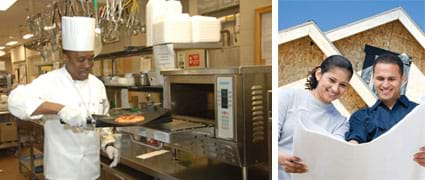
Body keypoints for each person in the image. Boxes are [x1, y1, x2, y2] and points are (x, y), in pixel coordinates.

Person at [8, 16, 120, 179]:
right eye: (80, 60)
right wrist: (60, 109)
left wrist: (108, 143)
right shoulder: (50, 81)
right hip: (62, 172)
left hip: (91, 171)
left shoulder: (97, 85)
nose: (87, 65)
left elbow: (102, 122)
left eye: (90, 58)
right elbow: (15, 101)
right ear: (66, 58)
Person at [278, 55, 354, 180]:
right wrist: (281, 159)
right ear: (319, 74)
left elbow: (334, 158)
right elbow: (267, 144)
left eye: (343, 85)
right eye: (332, 80)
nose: (335, 89)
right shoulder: (288, 97)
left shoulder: (341, 123)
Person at [345, 53, 425, 167]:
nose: (385, 84)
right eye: (380, 78)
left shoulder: (420, 113)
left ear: (403, 79)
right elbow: (354, 146)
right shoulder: (360, 117)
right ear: (373, 78)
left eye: (391, 79)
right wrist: (350, 150)